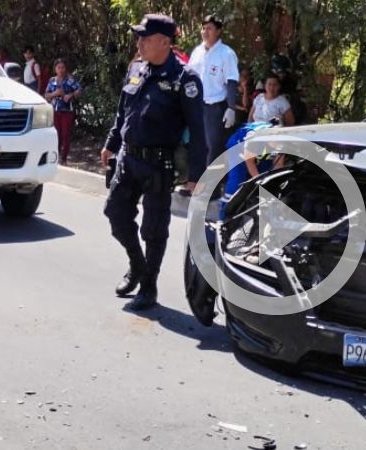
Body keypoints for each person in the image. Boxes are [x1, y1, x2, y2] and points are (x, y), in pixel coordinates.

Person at [100, 14, 208, 311]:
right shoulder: (137, 68)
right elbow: (123, 112)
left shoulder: (185, 79)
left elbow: (199, 132)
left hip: (159, 165)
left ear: (165, 42)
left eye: (146, 39)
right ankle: (137, 266)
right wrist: (111, 143)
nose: (140, 43)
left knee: (154, 229)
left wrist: (196, 175)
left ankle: (149, 288)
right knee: (116, 214)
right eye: (140, 38)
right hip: (128, 158)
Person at [187, 14, 239, 165]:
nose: (205, 31)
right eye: (203, 28)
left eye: (209, 28)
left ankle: (212, 187)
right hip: (196, 106)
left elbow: (231, 81)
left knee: (213, 148)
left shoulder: (226, 53)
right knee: (197, 146)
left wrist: (231, 108)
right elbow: (188, 77)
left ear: (218, 31)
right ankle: (197, 184)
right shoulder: (197, 52)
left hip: (215, 109)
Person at [44, 58, 82, 165]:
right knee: (56, 135)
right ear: (55, 69)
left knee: (66, 135)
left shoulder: (69, 80)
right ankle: (55, 157)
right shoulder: (52, 81)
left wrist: (70, 95)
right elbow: (46, 95)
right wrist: (55, 93)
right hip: (55, 111)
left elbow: (79, 90)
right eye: (59, 67)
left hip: (67, 111)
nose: (61, 70)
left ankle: (64, 159)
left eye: (63, 67)